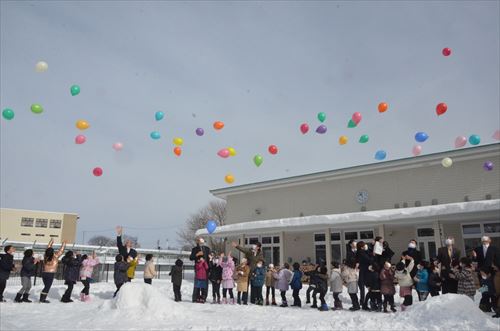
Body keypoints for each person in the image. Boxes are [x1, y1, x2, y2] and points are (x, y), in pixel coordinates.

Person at [190, 237, 211, 302]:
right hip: (198, 268)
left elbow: (209, 259)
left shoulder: (207, 249)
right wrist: (197, 254)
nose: (201, 243)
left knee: (205, 285)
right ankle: (196, 297)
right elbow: (191, 258)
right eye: (200, 242)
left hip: (206, 269)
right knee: (197, 284)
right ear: (197, 242)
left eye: (202, 242)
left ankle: (203, 297)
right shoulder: (194, 249)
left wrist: (210, 259)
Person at [356, 241, 373, 310]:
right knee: (365, 287)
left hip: (363, 271)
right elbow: (368, 259)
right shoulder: (361, 252)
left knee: (363, 287)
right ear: (361, 246)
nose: (365, 245)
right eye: (364, 245)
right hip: (365, 271)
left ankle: (363, 301)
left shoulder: (360, 252)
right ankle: (363, 302)